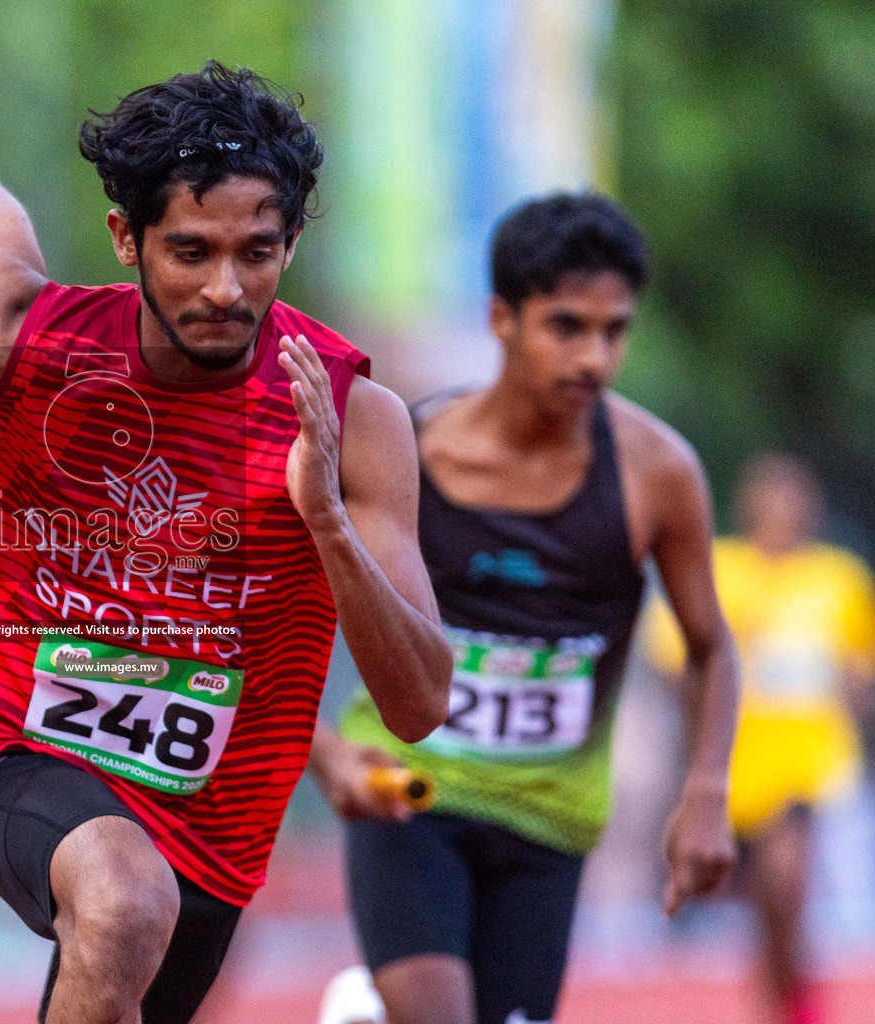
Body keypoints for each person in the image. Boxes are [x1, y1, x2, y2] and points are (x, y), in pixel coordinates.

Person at [0, 61, 453, 1024]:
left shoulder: (354, 420)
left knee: (130, 941)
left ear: (292, 241)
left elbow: (419, 704)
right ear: (126, 238)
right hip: (2, 731)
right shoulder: (25, 341)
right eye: (189, 252)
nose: (225, 291)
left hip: (209, 811)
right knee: (123, 897)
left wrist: (325, 522)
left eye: (257, 253)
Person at [310, 192, 742, 1024]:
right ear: (501, 318)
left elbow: (710, 647)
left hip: (549, 816)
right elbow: (272, 612)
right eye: (567, 326)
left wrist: (707, 791)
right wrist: (325, 752)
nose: (594, 357)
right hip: (412, 791)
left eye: (615, 330)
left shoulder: (658, 473)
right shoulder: (412, 449)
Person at [644, 454, 875, 1024]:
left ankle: (790, 1005)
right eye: (769, 501)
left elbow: (858, 667)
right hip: (727, 764)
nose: (781, 513)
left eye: (793, 500)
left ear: (810, 508)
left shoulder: (836, 577)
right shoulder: (719, 568)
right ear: (748, 507)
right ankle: (788, 989)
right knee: (759, 905)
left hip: (806, 762)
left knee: (785, 881)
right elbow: (673, 661)